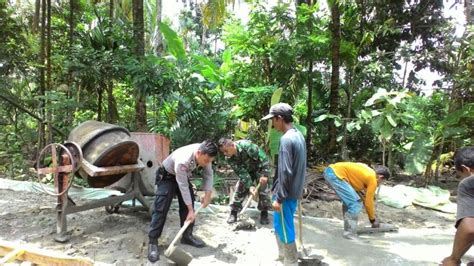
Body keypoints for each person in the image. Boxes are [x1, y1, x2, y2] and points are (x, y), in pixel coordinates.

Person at [147, 140, 218, 263]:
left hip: (182, 176)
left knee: (187, 205)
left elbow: (208, 174)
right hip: (167, 177)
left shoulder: (206, 154)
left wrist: (208, 194)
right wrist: (191, 210)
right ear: (199, 153)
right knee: (161, 208)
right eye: (206, 161)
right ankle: (153, 242)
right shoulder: (183, 160)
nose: (207, 163)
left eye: (209, 161)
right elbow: (183, 185)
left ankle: (187, 236)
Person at [261, 102, 306, 265]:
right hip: (292, 190)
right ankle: (283, 256)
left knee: (285, 227)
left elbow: (286, 171)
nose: (273, 125)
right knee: (280, 223)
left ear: (280, 119)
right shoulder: (298, 135)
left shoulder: (287, 140)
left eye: (273, 120)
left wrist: (279, 197)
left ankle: (291, 260)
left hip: (286, 193)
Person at [322, 162, 390, 239]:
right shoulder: (373, 179)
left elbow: (364, 197)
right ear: (380, 177)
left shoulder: (368, 172)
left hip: (331, 172)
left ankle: (348, 228)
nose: (381, 183)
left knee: (350, 202)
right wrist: (373, 220)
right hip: (336, 175)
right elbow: (368, 202)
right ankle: (350, 233)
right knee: (355, 203)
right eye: (383, 181)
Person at [218, 138, 272, 225]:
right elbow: (242, 173)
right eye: (223, 152)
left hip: (259, 169)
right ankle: (234, 212)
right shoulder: (229, 158)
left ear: (232, 145)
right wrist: (250, 186)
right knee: (240, 189)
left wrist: (265, 175)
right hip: (247, 172)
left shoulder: (247, 146)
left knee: (264, 189)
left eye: (226, 151)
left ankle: (264, 213)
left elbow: (264, 158)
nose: (225, 153)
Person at [442, 146, 474, 266]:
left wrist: (453, 259)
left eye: (460, 174)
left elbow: (470, 228)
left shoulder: (469, 183)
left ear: (466, 169)